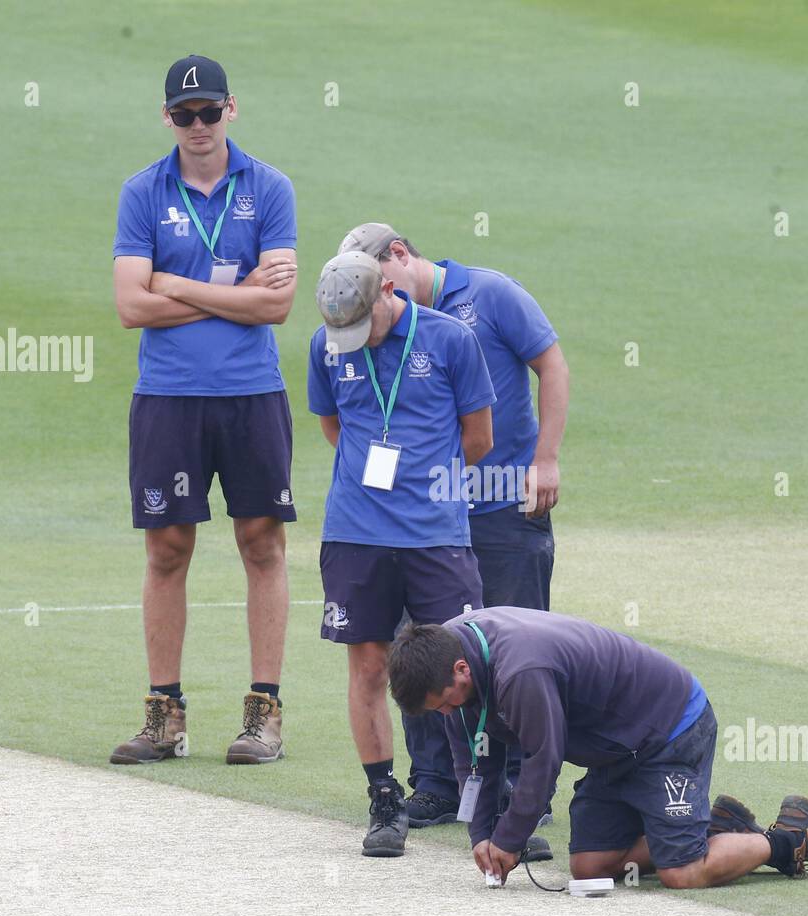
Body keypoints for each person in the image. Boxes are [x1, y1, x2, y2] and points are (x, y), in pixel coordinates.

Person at [336, 224, 570, 828]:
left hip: (501, 503)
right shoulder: (375, 326)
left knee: (512, 650)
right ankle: (437, 783)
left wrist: (545, 458)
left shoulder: (490, 295)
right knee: (423, 647)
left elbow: (553, 366)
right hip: (425, 519)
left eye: (379, 282)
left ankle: (519, 786)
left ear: (400, 256)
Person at [109, 55, 299, 767]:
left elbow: (277, 304)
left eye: (209, 112)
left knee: (262, 542)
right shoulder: (142, 191)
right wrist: (234, 291)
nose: (198, 125)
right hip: (168, 397)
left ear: (231, 110)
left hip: (251, 392)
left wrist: (175, 285)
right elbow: (130, 307)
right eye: (184, 114)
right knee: (167, 548)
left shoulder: (270, 187)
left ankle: (264, 712)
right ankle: (164, 713)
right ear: (167, 118)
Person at [387, 607, 808, 886]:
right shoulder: (445, 657)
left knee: (683, 872)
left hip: (670, 731)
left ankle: (792, 839)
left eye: (445, 704)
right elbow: (477, 764)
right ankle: (715, 825)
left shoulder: (520, 671)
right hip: (616, 753)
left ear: (461, 671)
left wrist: (508, 841)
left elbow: (544, 761)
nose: (447, 714)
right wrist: (483, 839)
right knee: (590, 868)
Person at [307, 250, 494, 857]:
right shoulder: (327, 342)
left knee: (466, 665)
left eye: (364, 322)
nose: (353, 340)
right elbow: (335, 426)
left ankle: (486, 802)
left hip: (435, 535)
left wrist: (423, 488)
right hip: (355, 533)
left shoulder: (451, 340)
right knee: (367, 667)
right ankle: (385, 800)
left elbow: (479, 437)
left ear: (388, 287)